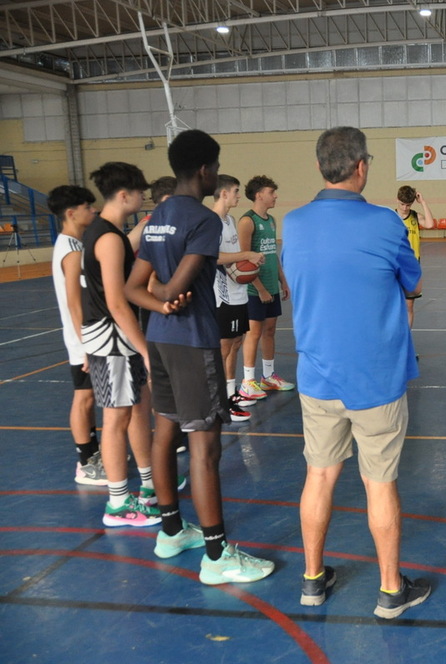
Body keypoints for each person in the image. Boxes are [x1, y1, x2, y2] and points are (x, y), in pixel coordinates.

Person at [281, 127, 430, 616]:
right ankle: (390, 589)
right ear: (361, 166)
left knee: (319, 476)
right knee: (379, 483)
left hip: (318, 376)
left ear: (322, 166)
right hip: (376, 381)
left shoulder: (295, 223)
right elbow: (413, 281)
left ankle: (312, 580)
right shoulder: (385, 223)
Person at [125, 129, 275, 585]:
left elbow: (135, 287)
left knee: (165, 431)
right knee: (205, 447)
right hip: (192, 341)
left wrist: (160, 306)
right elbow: (174, 288)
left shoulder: (159, 215)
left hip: (160, 338)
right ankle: (216, 556)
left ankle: (171, 531)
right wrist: (170, 298)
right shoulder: (204, 220)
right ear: (207, 169)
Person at [81, 162, 160, 527]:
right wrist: (144, 348)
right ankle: (117, 504)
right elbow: (116, 302)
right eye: (140, 192)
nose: (144, 198)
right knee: (115, 419)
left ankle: (139, 490)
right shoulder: (109, 238)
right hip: (113, 339)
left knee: (127, 412)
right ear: (124, 195)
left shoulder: (104, 232)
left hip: (107, 338)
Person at [49, 185, 104, 485]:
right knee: (84, 398)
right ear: (71, 213)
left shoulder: (73, 244)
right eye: (88, 207)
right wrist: (86, 346)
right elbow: (74, 301)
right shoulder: (70, 250)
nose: (93, 211)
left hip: (83, 337)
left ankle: (93, 453)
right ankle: (85, 462)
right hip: (80, 340)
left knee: (90, 395)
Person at [212, 174, 265, 422]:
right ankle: (218, 401)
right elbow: (214, 257)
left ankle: (231, 394)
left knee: (235, 344)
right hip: (223, 295)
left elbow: (235, 258)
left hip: (239, 292)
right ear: (223, 193)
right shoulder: (210, 222)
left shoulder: (230, 220)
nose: (237, 195)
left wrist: (250, 261)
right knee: (223, 348)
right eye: (235, 191)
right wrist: (246, 254)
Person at [238, 175, 294, 401]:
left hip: (271, 285)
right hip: (254, 289)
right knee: (254, 333)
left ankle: (268, 376)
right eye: (272, 192)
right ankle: (248, 381)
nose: (275, 196)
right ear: (259, 194)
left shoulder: (270, 220)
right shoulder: (247, 221)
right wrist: (259, 287)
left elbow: (272, 254)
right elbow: (243, 260)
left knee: (270, 331)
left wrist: (283, 280)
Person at [395, 185, 435, 330]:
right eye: (402, 204)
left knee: (409, 305)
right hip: (394, 265)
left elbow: (430, 224)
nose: (405, 208)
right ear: (397, 200)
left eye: (408, 205)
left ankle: (406, 342)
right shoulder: (391, 217)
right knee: (392, 306)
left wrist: (423, 202)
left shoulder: (415, 216)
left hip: (411, 266)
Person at [128, 176, 176, 253]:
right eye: (181, 199)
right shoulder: (145, 226)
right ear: (167, 199)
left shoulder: (171, 223)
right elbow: (122, 252)